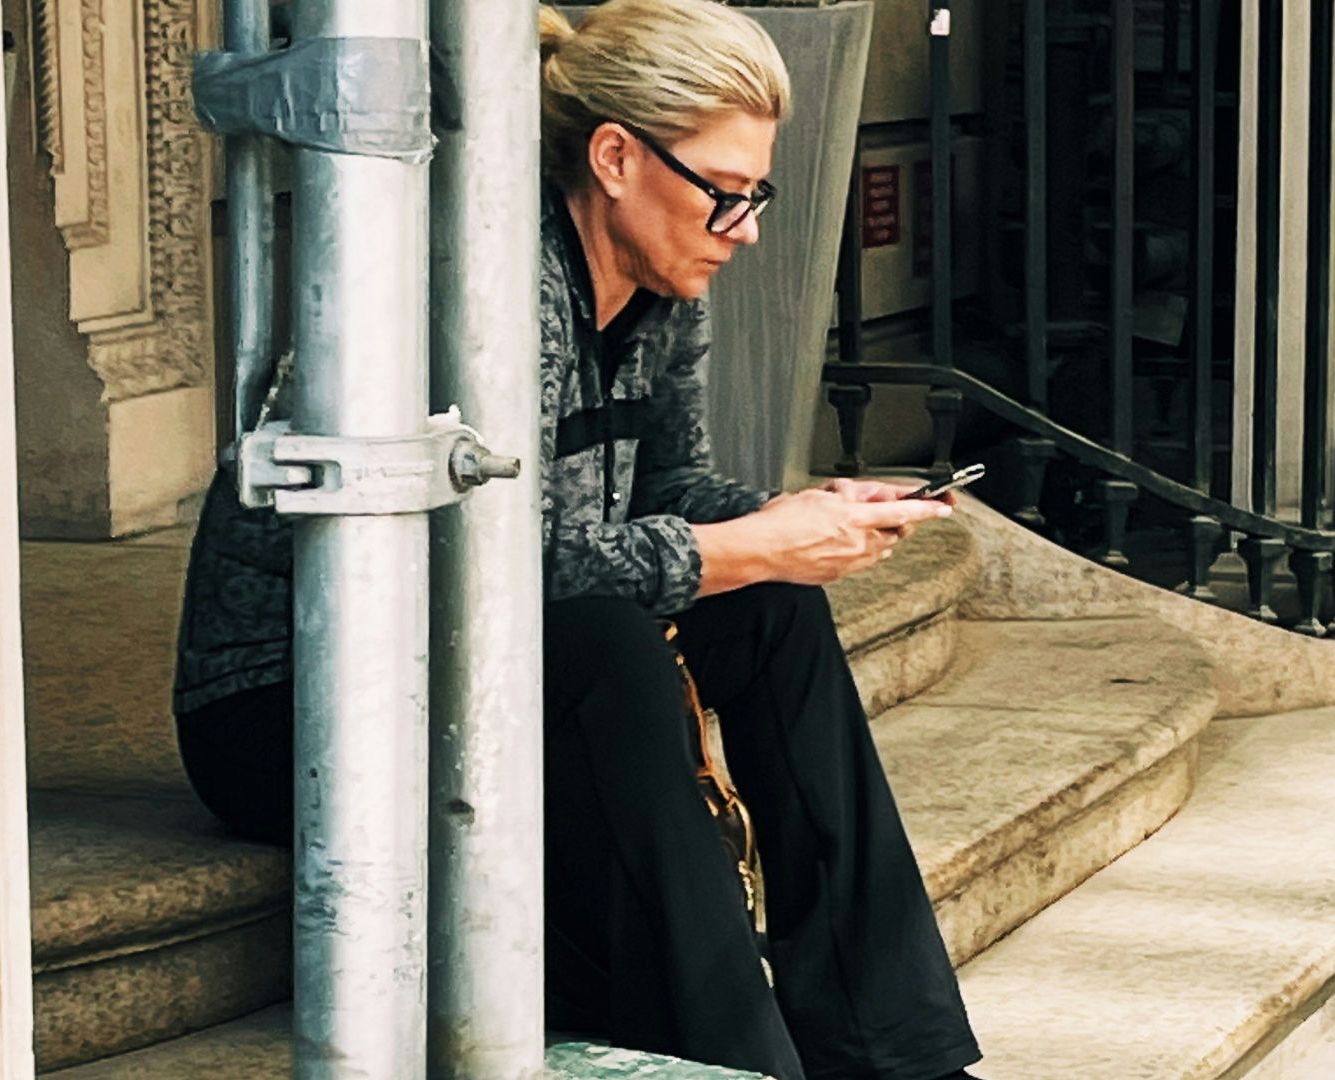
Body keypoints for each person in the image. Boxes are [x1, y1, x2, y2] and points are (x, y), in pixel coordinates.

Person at [172, 1, 984, 1077]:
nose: (744, 228)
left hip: (472, 666)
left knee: (775, 610)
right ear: (614, 157)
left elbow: (667, 487)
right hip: (297, 704)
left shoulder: (661, 280)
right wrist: (745, 543)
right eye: (725, 193)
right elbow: (489, 568)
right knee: (612, 641)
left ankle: (898, 1049)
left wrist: (799, 521)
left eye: (756, 194)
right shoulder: (489, 282)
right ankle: (735, 1057)